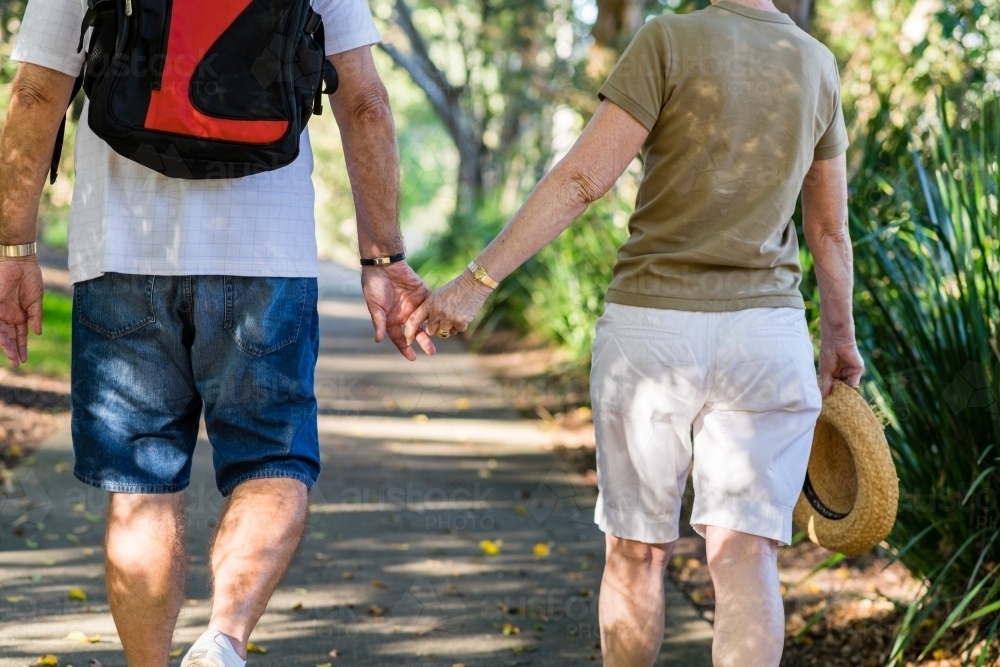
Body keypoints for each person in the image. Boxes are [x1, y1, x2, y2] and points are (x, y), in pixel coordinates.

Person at [404, 0, 864, 665]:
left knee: (638, 549)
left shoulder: (668, 40)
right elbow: (830, 230)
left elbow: (584, 177)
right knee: (743, 552)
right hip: (768, 336)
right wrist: (839, 339)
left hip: (653, 332)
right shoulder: (816, 64)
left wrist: (477, 280)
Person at [0, 0, 433, 665]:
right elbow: (366, 102)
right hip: (268, 257)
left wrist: (15, 249)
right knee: (273, 457)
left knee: (140, 483)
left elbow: (35, 94)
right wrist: (382, 255)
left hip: (120, 253)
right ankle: (223, 639)